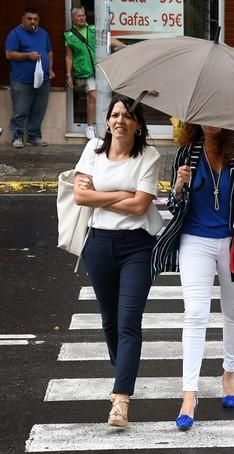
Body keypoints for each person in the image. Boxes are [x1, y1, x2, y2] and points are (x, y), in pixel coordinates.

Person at [150, 123, 234, 430]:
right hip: (195, 240)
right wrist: (177, 187)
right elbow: (174, 207)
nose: (211, 121)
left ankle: (229, 375)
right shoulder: (186, 154)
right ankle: (189, 394)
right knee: (195, 314)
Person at [73, 95, 163, 428]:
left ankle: (120, 399)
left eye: (127, 115)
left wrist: (102, 196)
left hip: (137, 248)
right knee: (109, 321)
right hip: (98, 245)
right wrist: (122, 195)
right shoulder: (93, 149)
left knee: (128, 322)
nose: (119, 120)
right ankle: (124, 367)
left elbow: (141, 207)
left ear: (138, 125)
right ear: (107, 121)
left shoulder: (149, 156)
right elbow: (80, 196)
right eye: (114, 114)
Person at [64, 6, 124, 140]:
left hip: (101, 67)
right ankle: (90, 127)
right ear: (73, 18)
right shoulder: (68, 35)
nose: (82, 18)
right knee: (93, 96)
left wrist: (124, 47)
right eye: (79, 16)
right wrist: (68, 75)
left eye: (83, 15)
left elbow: (109, 40)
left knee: (107, 96)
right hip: (85, 70)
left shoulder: (93, 29)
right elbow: (69, 56)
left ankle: (106, 123)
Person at [5, 7, 54, 148]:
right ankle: (17, 137)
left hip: (43, 79)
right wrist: (27, 55)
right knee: (20, 109)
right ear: (23, 19)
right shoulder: (15, 34)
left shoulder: (43, 33)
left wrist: (50, 69)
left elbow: (49, 52)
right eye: (29, 18)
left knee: (39, 109)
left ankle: (34, 137)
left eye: (35, 19)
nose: (33, 21)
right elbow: (9, 54)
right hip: (22, 80)